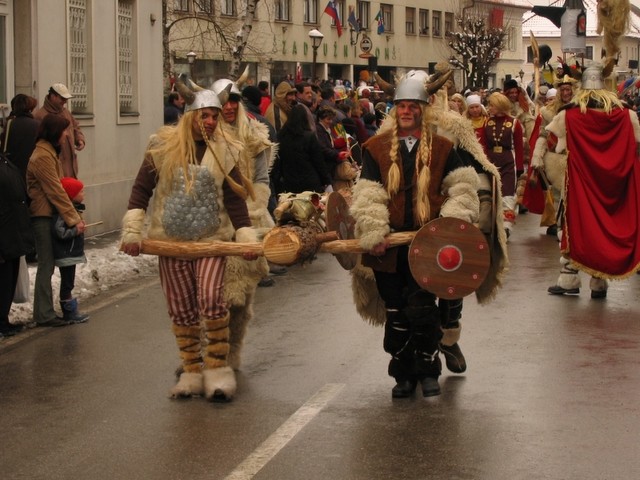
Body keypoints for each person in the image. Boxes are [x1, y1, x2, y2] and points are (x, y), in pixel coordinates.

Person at [120, 80, 258, 402]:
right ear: (189, 115)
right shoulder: (162, 146)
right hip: (169, 243)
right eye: (204, 116)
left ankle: (217, 371)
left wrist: (246, 237)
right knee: (182, 310)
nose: (210, 122)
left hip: (211, 240)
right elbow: (142, 190)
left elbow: (235, 200)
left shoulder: (227, 149)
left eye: (214, 116)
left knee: (211, 300)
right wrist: (132, 231)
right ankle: (191, 372)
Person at [350, 70, 480, 398]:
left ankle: (428, 369)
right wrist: (374, 230)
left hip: (430, 247)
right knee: (396, 313)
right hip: (389, 249)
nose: (406, 112)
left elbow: (463, 188)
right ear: (394, 110)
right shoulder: (375, 148)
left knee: (422, 310)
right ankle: (402, 374)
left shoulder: (444, 147)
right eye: (401, 106)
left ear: (424, 109)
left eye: (413, 106)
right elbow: (367, 192)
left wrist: (449, 226)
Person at [544, 63, 640, 298]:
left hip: (580, 185)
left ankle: (569, 280)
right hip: (615, 186)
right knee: (605, 231)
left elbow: (555, 146)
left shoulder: (569, 114)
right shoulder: (627, 114)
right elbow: (636, 145)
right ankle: (599, 283)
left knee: (575, 228)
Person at [26, 114, 87, 327]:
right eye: (64, 130)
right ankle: (44, 314)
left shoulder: (50, 152)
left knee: (50, 263)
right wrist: (73, 219)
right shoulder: (42, 155)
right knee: (46, 264)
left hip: (49, 214)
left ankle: (47, 312)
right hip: (42, 216)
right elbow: (55, 190)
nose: (66, 134)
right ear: (54, 132)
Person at [0, 153, 34, 337]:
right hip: (4, 231)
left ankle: (3, 319)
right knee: (3, 279)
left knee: (9, 279)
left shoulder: (5, 160)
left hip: (12, 229)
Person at [484, 92, 524, 238]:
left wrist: (519, 168)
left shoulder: (514, 123)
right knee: (493, 193)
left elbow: (519, 147)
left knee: (508, 194)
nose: (489, 107)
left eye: (492, 105)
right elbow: (484, 144)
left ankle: (506, 226)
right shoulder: (487, 122)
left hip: (508, 161)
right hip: (491, 161)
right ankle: (494, 224)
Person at [51, 177, 90, 323]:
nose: (84, 193)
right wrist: (76, 231)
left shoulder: (73, 209)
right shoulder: (64, 211)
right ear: (71, 195)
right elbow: (59, 231)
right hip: (66, 253)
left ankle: (71, 311)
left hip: (70, 253)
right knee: (67, 283)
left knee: (69, 281)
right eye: (81, 191)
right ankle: (69, 312)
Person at [33, 83, 85, 179]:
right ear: (53, 96)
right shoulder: (40, 116)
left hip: (71, 167)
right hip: (56, 168)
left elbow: (75, 127)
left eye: (66, 99)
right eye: (62, 98)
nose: (65, 102)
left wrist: (80, 139)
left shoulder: (66, 112)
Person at [278, 104, 332, 194]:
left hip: (290, 182)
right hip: (310, 183)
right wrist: (327, 181)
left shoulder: (281, 136)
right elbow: (319, 162)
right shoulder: (309, 137)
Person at [1, 94, 39, 179]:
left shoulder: (9, 123)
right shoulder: (37, 125)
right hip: (31, 170)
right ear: (30, 109)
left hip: (12, 169)